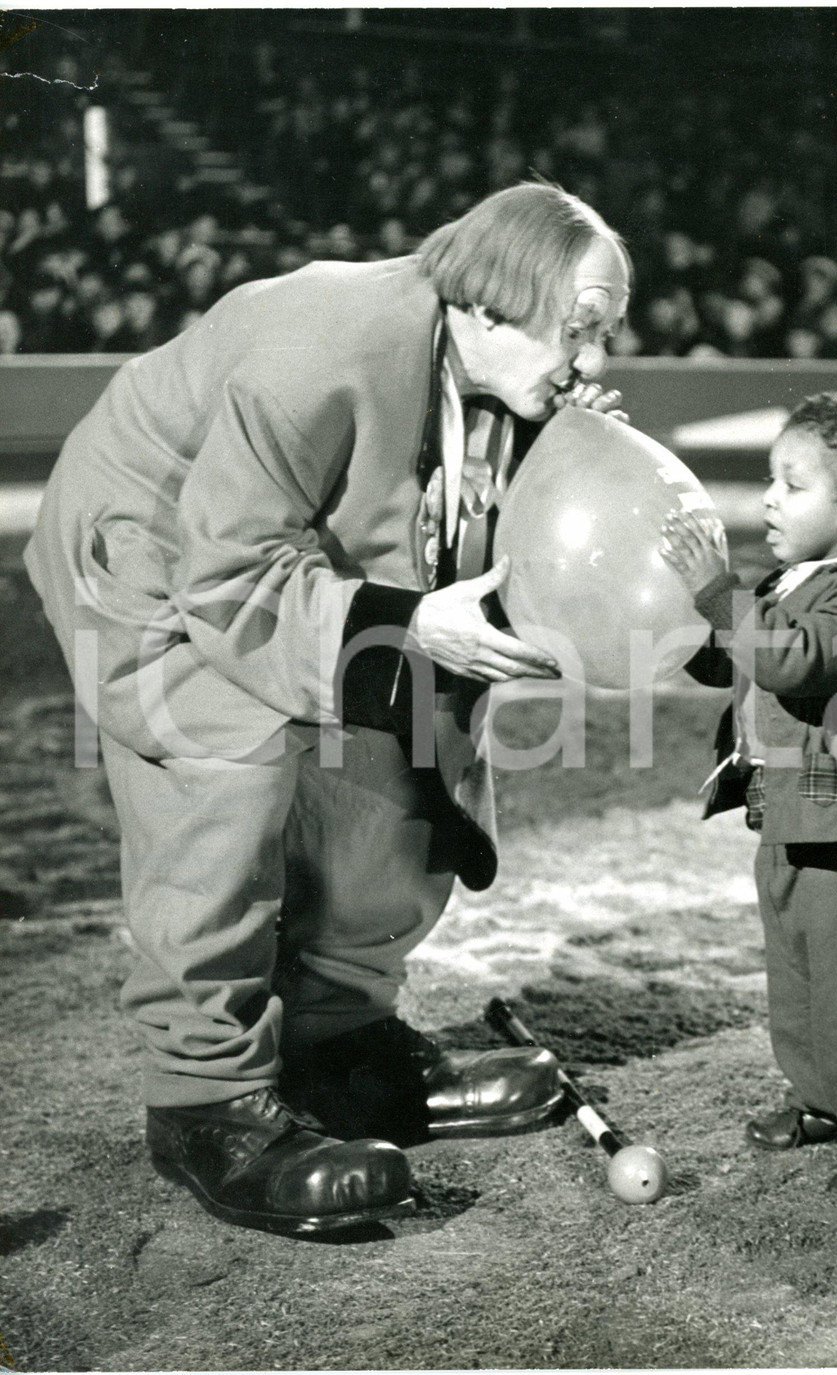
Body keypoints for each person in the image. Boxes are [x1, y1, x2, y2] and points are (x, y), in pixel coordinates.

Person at [24, 183, 632, 1238]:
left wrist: (560, 463)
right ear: (489, 309)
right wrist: (402, 623)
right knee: (233, 763)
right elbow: (226, 578)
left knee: (400, 742)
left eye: (606, 333)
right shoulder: (319, 343)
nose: (595, 362)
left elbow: (440, 550)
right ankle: (207, 1102)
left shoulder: (484, 363)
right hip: (159, 553)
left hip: (288, 557)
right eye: (578, 330)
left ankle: (340, 1041)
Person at [659, 392, 837, 1199]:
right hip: (787, 817)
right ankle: (823, 1099)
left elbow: (793, 661)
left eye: (791, 484)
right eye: (768, 480)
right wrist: (684, 617)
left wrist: (722, 595)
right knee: (797, 977)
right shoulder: (791, 581)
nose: (768, 500)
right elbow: (742, 661)